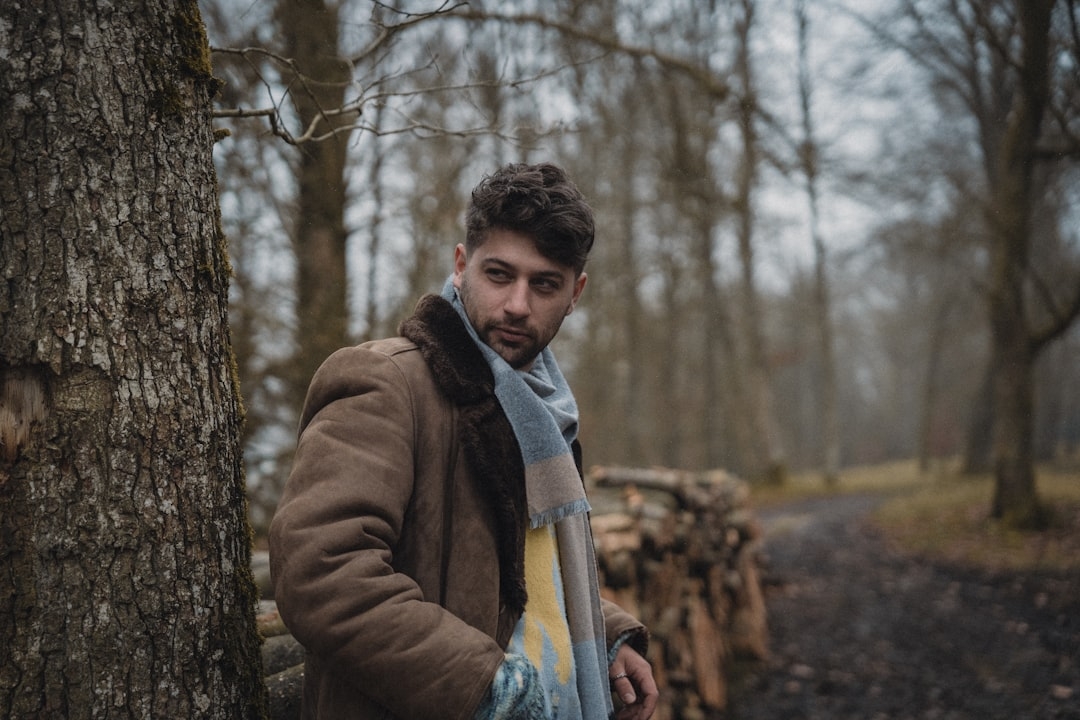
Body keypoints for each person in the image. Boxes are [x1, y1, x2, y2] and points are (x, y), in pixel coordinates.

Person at [269, 162, 658, 720]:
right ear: (460, 266)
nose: (518, 305)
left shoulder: (543, 409)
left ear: (575, 293)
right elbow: (322, 570)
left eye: (544, 284)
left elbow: (522, 571)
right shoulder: (388, 382)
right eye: (499, 274)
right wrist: (483, 685)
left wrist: (607, 637)